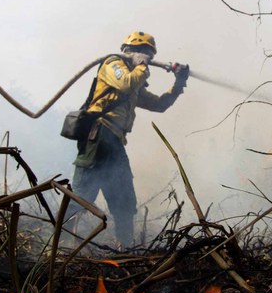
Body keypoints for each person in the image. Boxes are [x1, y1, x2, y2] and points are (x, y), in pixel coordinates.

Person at [67, 31, 189, 248]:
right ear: (128, 51)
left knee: (124, 202)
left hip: (114, 143)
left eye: (148, 54)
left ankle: (125, 250)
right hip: (98, 137)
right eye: (141, 52)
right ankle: (61, 247)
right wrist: (141, 66)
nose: (145, 57)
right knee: (81, 197)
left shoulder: (135, 84)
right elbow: (125, 83)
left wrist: (178, 83)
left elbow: (159, 105)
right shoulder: (112, 64)